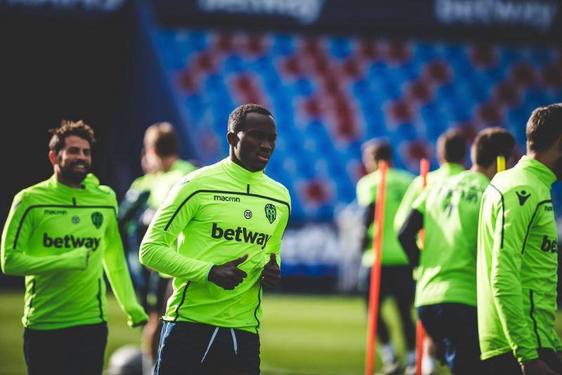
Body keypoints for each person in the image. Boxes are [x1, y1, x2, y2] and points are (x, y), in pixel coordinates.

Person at [139, 104, 291, 374]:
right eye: (257, 136)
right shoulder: (196, 185)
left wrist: (273, 270)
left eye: (271, 139)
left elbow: (271, 253)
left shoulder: (280, 197)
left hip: (244, 331)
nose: (266, 145)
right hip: (189, 325)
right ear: (233, 138)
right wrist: (209, 272)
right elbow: (150, 250)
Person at [1, 120, 148, 375]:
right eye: (73, 151)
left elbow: (113, 257)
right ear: (53, 156)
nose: (81, 157)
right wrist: (66, 260)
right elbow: (9, 261)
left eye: (86, 151)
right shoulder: (29, 200)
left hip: (91, 323)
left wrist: (130, 305)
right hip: (44, 323)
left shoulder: (104, 198)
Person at [398, 127, 515, 375]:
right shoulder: (492, 193)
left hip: (427, 299)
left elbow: (405, 232)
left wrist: (421, 267)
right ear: (501, 162)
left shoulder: (434, 186)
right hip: (465, 299)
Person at [477, 104, 562, 375]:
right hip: (521, 346)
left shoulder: (526, 184)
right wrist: (528, 356)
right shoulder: (523, 188)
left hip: (531, 340)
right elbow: (503, 275)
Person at [118, 122, 197, 370]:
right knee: (177, 323)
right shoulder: (191, 173)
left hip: (164, 266)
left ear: (151, 150)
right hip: (186, 263)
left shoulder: (152, 183)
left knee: (158, 322)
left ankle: (153, 368)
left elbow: (123, 218)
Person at [394, 127, 468, 374]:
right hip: (466, 277)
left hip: (430, 273)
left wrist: (419, 259)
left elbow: (400, 226)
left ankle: (427, 368)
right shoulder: (474, 183)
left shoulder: (425, 182)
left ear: (440, 154)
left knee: (430, 333)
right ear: (465, 155)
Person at [356, 139, 416, 373]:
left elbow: (368, 216)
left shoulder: (369, 183)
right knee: (404, 311)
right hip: (403, 257)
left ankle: (390, 356)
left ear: (372, 159)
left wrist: (362, 242)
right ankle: (412, 359)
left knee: (372, 310)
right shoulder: (409, 181)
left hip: (377, 259)